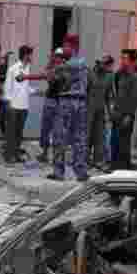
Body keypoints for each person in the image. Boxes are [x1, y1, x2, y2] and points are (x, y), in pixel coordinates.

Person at [47, 34, 90, 182]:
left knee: (60, 137)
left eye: (65, 46)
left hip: (67, 101)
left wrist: (26, 77)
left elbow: (50, 75)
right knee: (80, 138)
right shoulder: (82, 62)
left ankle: (59, 171)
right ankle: (81, 171)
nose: (63, 49)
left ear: (72, 46)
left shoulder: (71, 63)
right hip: (81, 102)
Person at [3, 45, 35, 169]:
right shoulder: (13, 69)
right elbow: (7, 87)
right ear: (25, 55)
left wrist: (34, 91)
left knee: (19, 133)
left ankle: (15, 154)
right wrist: (9, 103)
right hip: (14, 106)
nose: (32, 57)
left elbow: (25, 86)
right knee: (11, 132)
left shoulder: (28, 68)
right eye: (30, 54)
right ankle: (8, 156)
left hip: (24, 105)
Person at [112, 49, 137, 170]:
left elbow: (134, 98)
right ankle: (116, 164)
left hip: (126, 115)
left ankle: (123, 165)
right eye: (122, 58)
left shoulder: (135, 78)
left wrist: (129, 115)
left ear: (131, 61)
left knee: (124, 141)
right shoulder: (120, 75)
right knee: (116, 140)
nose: (122, 61)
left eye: (125, 59)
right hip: (117, 113)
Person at [86, 55, 116, 169]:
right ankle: (85, 159)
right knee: (87, 135)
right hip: (89, 108)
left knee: (99, 135)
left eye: (104, 64)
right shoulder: (90, 74)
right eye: (99, 63)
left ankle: (97, 160)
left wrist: (109, 111)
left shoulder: (110, 76)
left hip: (101, 109)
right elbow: (84, 91)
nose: (100, 65)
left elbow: (109, 95)